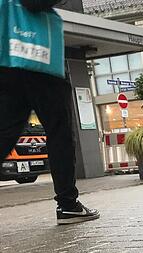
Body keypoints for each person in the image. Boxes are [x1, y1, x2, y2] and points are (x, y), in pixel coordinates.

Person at [0, 0, 99, 225]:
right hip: (38, 58)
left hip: (6, 58)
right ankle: (68, 204)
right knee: (60, 131)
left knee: (5, 132)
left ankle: (68, 203)